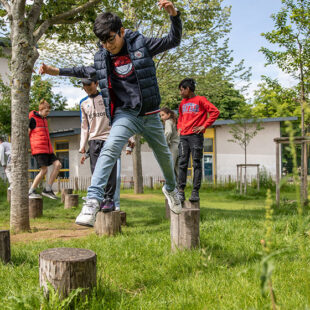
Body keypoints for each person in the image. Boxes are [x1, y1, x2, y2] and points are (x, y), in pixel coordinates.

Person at [39, 0, 183, 227]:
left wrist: (174, 15)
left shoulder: (141, 44)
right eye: (103, 41)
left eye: (111, 39)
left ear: (121, 31)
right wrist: (54, 71)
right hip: (125, 115)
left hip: (149, 113)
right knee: (109, 151)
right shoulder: (103, 57)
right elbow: (82, 70)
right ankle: (93, 200)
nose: (107, 45)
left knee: (164, 157)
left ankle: (172, 189)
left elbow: (173, 40)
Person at [177, 78, 220, 202]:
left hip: (196, 136)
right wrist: (179, 128)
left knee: (196, 163)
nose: (180, 93)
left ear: (188, 89)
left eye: (181, 90)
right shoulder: (182, 103)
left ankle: (195, 192)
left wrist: (204, 126)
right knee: (182, 163)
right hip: (184, 137)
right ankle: (181, 191)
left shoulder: (201, 100)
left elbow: (215, 112)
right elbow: (180, 117)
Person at [28, 99, 62, 199]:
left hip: (48, 149)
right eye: (46, 111)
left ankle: (47, 189)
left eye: (48, 111)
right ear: (41, 109)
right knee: (44, 170)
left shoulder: (44, 119)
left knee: (58, 165)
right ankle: (31, 191)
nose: (47, 113)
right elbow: (28, 133)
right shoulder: (33, 119)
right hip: (38, 149)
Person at [160, 107, 179, 182]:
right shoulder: (175, 121)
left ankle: (169, 187)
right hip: (179, 146)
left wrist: (165, 143)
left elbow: (168, 132)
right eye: (160, 116)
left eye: (163, 115)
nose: (161, 117)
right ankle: (180, 188)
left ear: (169, 114)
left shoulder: (168, 121)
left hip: (173, 147)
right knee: (178, 168)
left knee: (170, 167)